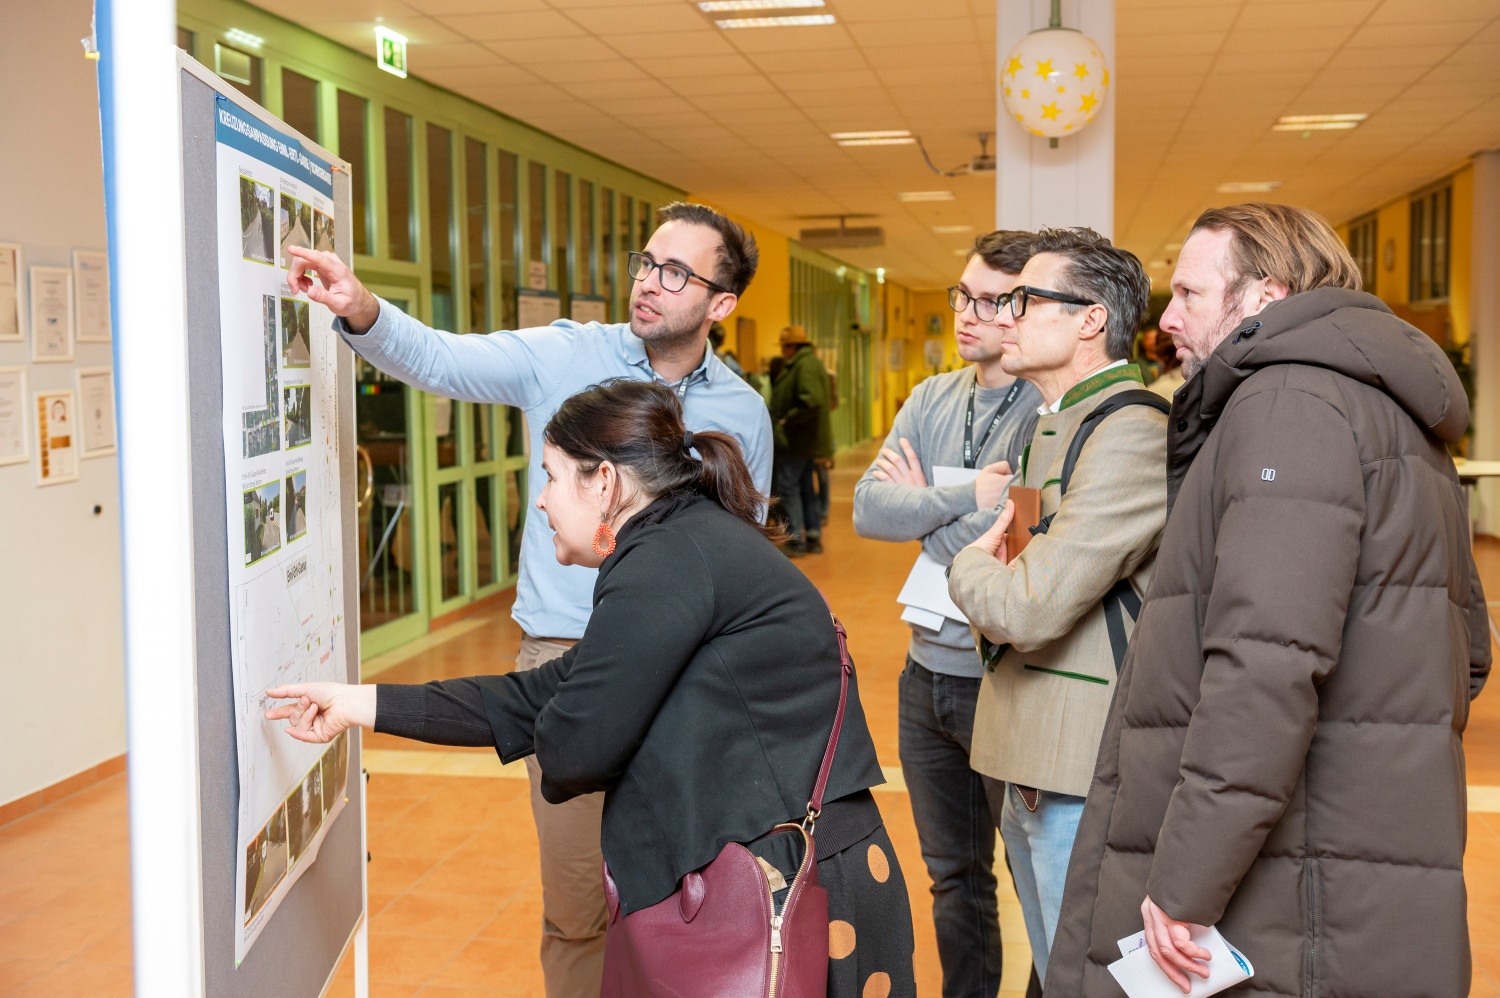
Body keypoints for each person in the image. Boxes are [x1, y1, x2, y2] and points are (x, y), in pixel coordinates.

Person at [265, 380, 917, 998]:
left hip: (793, 893)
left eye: (550, 477)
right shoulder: (683, 539)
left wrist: (574, 722)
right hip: (791, 873)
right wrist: (358, 704)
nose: (541, 501)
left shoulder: (664, 560)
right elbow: (540, 695)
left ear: (604, 482)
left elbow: (575, 747)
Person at [285, 202, 773, 998]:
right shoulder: (567, 354)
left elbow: (742, 552)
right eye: (646, 262)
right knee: (578, 904)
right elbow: (442, 359)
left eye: (676, 272)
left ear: (721, 303)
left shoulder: (742, 412)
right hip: (566, 655)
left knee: (681, 894)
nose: (649, 282)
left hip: (688, 672)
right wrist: (363, 308)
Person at [1044, 204, 1493, 996]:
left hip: (1299, 879)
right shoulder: (1384, 407)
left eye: (1189, 294)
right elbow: (1470, 653)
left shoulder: (1288, 406)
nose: (1166, 320)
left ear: (1265, 297)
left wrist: (1185, 885)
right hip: (1362, 853)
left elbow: (1263, 672)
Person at [945, 227, 1168, 983]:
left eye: (1023, 301)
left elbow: (1027, 606)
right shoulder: (1055, 422)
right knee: (1058, 971)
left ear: (1089, 320)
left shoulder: (1130, 431)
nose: (1001, 317)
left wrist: (965, 567)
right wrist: (997, 583)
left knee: (1081, 978)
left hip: (1076, 767)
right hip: (1032, 754)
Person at [852, 229, 1042, 998]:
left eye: (990, 301)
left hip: (1003, 679)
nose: (967, 313)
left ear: (1026, 309)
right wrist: (968, 496)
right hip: (924, 673)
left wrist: (924, 510)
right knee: (952, 877)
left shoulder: (1045, 410)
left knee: (1033, 875)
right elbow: (868, 509)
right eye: (963, 295)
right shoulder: (933, 396)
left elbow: (1019, 543)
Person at [770, 325, 834, 556]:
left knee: (789, 487)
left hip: (797, 441)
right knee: (806, 488)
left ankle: (796, 539)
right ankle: (813, 536)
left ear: (793, 347)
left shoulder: (803, 365)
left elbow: (810, 400)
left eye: (784, 347)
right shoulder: (810, 363)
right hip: (806, 441)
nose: (782, 352)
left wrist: (787, 420)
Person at [1141, 325, 1184, 399]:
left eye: (1153, 339)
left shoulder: (1153, 392)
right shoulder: (1198, 381)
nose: (1151, 342)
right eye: (1149, 338)